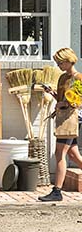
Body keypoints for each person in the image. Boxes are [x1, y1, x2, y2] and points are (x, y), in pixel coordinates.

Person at [38, 47, 82, 202]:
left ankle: (57, 191)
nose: (59, 65)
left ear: (69, 61)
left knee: (60, 154)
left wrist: (64, 103)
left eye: (61, 62)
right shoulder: (62, 78)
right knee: (73, 155)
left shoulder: (78, 78)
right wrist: (53, 94)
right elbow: (61, 100)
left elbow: (77, 103)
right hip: (62, 119)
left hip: (70, 120)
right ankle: (57, 191)